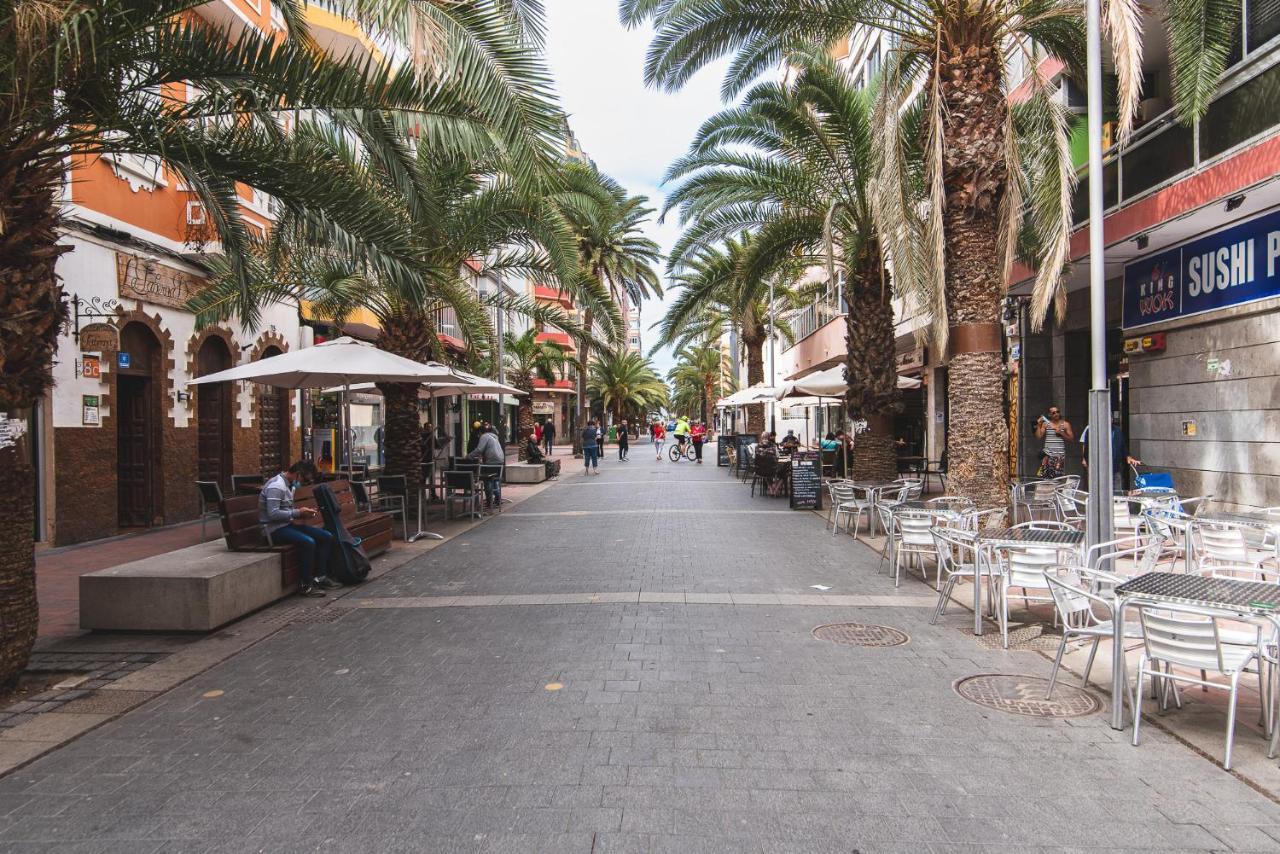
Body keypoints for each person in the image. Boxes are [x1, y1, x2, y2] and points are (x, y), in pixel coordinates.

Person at [259, 461, 338, 597]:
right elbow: (272, 514)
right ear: (298, 474)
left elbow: (287, 511)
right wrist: (297, 513)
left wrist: (303, 513)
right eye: (305, 479)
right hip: (272, 531)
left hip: (286, 525)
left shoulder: (289, 485)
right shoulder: (276, 486)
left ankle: (320, 577)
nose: (304, 483)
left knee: (326, 536)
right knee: (308, 542)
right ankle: (305, 585)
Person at [1081, 415, 1141, 491]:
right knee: (1100, 491)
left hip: (1115, 467)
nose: (1109, 420)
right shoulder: (1091, 430)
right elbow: (1087, 449)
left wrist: (1128, 457)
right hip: (1098, 468)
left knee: (1117, 491)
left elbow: (1123, 447)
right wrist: (1089, 463)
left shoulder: (1117, 431)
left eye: (1110, 418)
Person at [466, 422, 505, 508]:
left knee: (487, 480)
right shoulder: (494, 436)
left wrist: (469, 456)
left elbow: (479, 449)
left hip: (492, 462)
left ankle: (489, 501)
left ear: (480, 432)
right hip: (500, 462)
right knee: (494, 480)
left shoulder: (484, 436)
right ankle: (498, 499)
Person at [1035, 405, 1075, 479]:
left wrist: (1062, 433)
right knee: (1045, 477)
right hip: (1047, 454)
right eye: (1053, 413)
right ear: (1049, 415)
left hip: (1059, 456)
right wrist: (1038, 425)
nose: (1056, 414)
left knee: (1057, 477)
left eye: (1057, 412)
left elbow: (1071, 439)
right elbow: (1039, 436)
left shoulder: (1065, 424)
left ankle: (1055, 490)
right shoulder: (1046, 424)